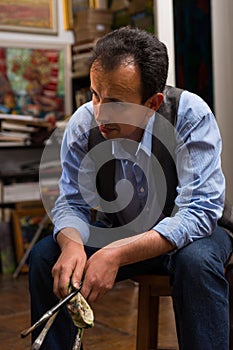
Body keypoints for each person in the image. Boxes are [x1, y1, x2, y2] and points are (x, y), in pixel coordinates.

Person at [29, 26, 233, 350]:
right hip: (121, 231)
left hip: (195, 238)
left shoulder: (189, 114)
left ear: (152, 103)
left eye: (115, 103)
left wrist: (116, 252)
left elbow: (199, 212)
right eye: (95, 95)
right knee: (45, 256)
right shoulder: (84, 123)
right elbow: (71, 201)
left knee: (196, 263)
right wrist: (71, 247)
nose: (98, 113)